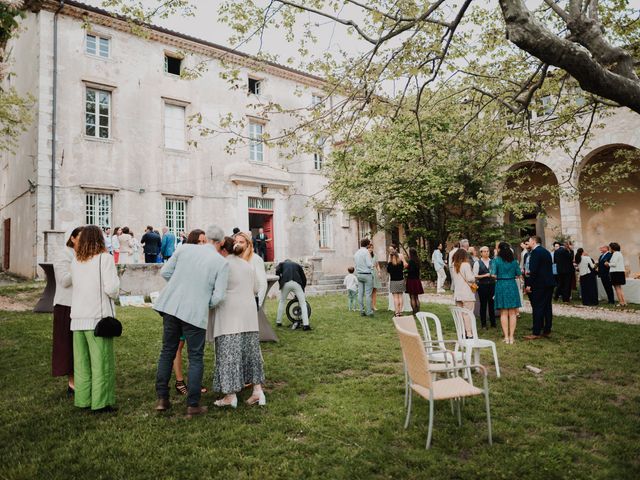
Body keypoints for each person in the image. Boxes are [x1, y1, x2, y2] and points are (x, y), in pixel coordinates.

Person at [153, 224, 229, 417]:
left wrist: (181, 287)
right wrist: (203, 301)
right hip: (195, 311)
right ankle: (192, 404)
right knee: (195, 357)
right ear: (221, 242)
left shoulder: (185, 248)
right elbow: (219, 296)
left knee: (167, 350)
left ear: (206, 238)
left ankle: (162, 398)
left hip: (171, 306)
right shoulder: (221, 262)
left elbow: (165, 272)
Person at [209, 237, 266, 408]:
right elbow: (256, 288)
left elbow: (217, 293)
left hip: (229, 315)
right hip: (248, 314)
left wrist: (209, 304)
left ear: (222, 250)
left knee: (229, 354)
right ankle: (257, 391)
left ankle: (230, 395)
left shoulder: (223, 265)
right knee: (251, 353)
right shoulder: (247, 265)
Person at [69, 225, 120, 412]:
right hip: (98, 318)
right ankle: (101, 402)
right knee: (102, 362)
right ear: (100, 239)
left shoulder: (76, 261)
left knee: (81, 363)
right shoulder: (104, 259)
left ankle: (83, 399)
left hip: (77, 318)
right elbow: (112, 289)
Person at [172, 228, 208, 397]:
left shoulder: (204, 260)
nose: (201, 244)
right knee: (178, 345)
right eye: (199, 241)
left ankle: (194, 383)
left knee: (194, 349)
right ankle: (179, 381)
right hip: (180, 307)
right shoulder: (183, 256)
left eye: (204, 241)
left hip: (195, 308)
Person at [52, 227, 83, 396]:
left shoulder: (83, 255)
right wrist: (80, 265)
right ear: (72, 238)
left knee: (80, 345)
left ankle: (83, 378)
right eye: (81, 238)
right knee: (67, 345)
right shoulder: (64, 254)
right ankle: (72, 383)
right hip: (66, 305)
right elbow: (64, 281)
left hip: (82, 305)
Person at [524, 235, 555, 340]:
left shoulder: (536, 252)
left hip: (539, 284)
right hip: (548, 283)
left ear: (533, 241)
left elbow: (534, 270)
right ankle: (547, 329)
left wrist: (529, 285)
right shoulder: (546, 251)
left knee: (537, 307)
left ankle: (536, 332)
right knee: (547, 306)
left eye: (529, 241)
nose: (528, 243)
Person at [491, 242, 522, 344]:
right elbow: (518, 274)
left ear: (499, 249)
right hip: (512, 284)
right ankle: (512, 337)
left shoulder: (496, 260)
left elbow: (493, 274)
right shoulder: (514, 261)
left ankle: (506, 337)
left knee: (503, 312)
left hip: (501, 284)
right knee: (513, 312)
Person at [234, 232, 268, 309]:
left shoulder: (256, 259)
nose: (238, 244)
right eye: (236, 242)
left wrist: (257, 305)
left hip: (251, 303)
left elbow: (263, 284)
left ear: (248, 244)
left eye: (241, 242)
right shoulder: (235, 259)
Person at [275, 259, 311, 330]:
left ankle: (278, 321)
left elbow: (277, 272)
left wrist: (280, 282)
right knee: (303, 303)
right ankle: (306, 325)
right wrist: (302, 288)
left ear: (285, 261)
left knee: (282, 301)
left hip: (285, 282)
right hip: (297, 283)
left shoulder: (282, 264)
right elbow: (303, 278)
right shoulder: (297, 265)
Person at [451, 248, 476, 337]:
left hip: (458, 293)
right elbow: (470, 278)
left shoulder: (453, 265)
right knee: (468, 314)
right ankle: (469, 333)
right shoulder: (466, 265)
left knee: (460, 314)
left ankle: (462, 332)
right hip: (467, 293)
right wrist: (474, 276)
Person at [474, 246, 496, 328]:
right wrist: (485, 275)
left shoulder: (493, 262)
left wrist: (494, 276)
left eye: (488, 251)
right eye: (485, 251)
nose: (486, 253)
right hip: (482, 286)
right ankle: (483, 324)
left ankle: (493, 323)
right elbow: (475, 276)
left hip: (492, 285)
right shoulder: (477, 263)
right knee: (483, 305)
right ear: (481, 253)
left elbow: (496, 272)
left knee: (492, 304)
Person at [354, 238, 374, 317]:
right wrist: (373, 265)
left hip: (359, 274)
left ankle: (362, 311)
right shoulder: (366, 252)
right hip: (366, 274)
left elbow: (356, 264)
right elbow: (369, 264)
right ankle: (369, 311)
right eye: (369, 243)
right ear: (367, 244)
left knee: (360, 293)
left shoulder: (356, 252)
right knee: (368, 294)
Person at [605, 242, 627, 307]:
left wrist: (607, 264)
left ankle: (621, 302)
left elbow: (614, 264)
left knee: (617, 288)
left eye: (610, 247)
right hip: (620, 272)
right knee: (620, 288)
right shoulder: (619, 254)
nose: (609, 249)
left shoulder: (615, 254)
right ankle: (624, 302)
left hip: (616, 272)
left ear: (612, 248)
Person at [406, 248, 424, 315]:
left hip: (411, 280)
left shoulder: (410, 261)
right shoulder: (418, 261)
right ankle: (418, 311)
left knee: (412, 297)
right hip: (417, 280)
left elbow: (409, 270)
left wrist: (407, 268)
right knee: (416, 297)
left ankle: (414, 311)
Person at [387, 251, 406, 316]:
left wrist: (389, 260)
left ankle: (397, 312)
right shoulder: (401, 263)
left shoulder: (390, 264)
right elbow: (403, 269)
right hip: (400, 281)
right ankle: (400, 312)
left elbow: (388, 271)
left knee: (395, 298)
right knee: (400, 297)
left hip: (393, 282)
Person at [368, 243, 382, 311]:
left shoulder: (375, 255)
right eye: (369, 248)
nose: (370, 249)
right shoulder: (366, 256)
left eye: (371, 248)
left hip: (375, 273)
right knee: (369, 291)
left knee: (374, 291)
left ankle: (374, 306)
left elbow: (377, 265)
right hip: (369, 273)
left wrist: (379, 272)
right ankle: (369, 306)